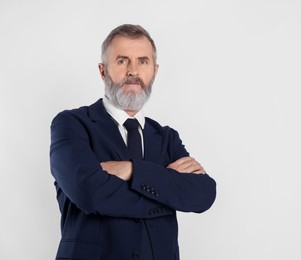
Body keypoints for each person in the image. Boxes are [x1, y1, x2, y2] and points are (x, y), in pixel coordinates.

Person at [50, 24, 217, 260]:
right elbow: (89, 192)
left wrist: (130, 170)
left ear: (154, 71)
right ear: (102, 71)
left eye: (142, 61)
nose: (133, 71)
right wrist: (166, 193)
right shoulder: (71, 124)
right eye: (122, 61)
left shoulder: (167, 137)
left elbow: (203, 194)